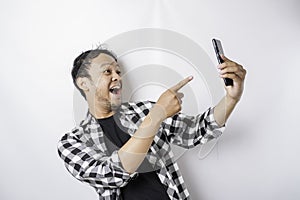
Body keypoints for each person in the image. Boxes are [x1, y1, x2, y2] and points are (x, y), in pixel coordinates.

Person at [57, 46, 246, 200]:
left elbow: (197, 131)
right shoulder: (72, 143)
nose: (117, 77)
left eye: (118, 71)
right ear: (84, 83)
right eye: (107, 71)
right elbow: (113, 173)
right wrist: (155, 117)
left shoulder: (144, 111)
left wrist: (232, 98)